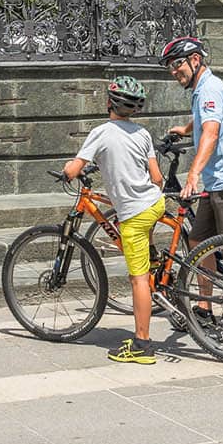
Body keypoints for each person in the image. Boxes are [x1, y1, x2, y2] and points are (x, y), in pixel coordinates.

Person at [61, 76, 165, 365]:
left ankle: (142, 344)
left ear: (109, 103)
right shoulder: (143, 134)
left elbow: (74, 169)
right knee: (145, 235)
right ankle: (153, 253)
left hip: (134, 215)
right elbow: (157, 177)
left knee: (138, 279)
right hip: (155, 203)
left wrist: (67, 171)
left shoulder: (101, 133)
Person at [162, 35, 223, 342]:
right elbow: (205, 118)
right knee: (198, 240)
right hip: (216, 181)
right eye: (170, 66)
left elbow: (211, 133)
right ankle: (204, 308)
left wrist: (192, 174)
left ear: (195, 60)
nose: (174, 71)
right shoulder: (201, 90)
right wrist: (186, 128)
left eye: (177, 64)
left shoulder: (210, 88)